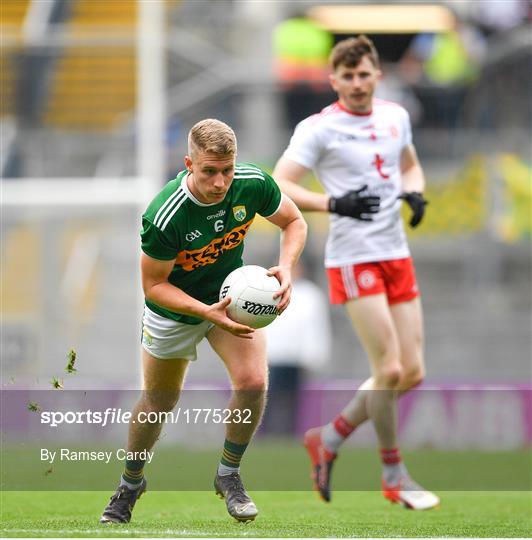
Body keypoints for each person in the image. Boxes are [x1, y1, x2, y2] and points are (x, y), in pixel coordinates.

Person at [100, 118, 307, 524]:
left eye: (227, 170)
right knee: (160, 401)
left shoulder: (253, 184)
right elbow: (154, 285)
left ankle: (228, 475)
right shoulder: (165, 214)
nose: (220, 181)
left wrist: (286, 265)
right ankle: (130, 482)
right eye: (209, 171)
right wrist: (203, 312)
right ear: (189, 164)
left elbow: (294, 221)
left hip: (229, 297)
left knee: (253, 382)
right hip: (174, 309)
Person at [272, 36, 439, 510]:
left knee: (412, 373)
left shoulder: (395, 117)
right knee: (387, 369)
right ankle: (394, 474)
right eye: (347, 76)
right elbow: (279, 183)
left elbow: (411, 167)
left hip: (395, 253)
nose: (357, 83)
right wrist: (333, 203)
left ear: (377, 75)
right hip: (352, 258)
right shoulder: (318, 129)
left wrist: (416, 192)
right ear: (334, 81)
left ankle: (328, 438)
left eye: (364, 74)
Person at [262, 260, 331, 435]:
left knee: (293, 399)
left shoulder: (311, 294)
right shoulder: (267, 290)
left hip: (297, 358)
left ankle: (289, 433)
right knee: (268, 398)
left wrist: (314, 354)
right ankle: (265, 433)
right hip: (273, 356)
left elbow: (316, 326)